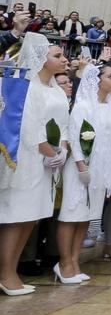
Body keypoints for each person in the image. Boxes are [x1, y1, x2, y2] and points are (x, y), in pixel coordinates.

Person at [0, 34, 70, 295]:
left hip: (48, 162)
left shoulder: (55, 89)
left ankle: (11, 270)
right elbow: (29, 126)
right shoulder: (28, 87)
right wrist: (48, 150)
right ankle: (6, 273)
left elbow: (63, 123)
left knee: (31, 217)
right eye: (57, 56)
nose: (64, 60)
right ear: (41, 59)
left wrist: (62, 148)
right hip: (29, 159)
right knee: (17, 216)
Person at [55, 62, 111, 283]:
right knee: (70, 215)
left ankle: (75, 261)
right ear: (98, 80)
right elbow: (75, 136)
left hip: (100, 168)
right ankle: (64, 263)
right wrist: (81, 166)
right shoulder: (84, 104)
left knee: (85, 218)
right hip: (80, 168)